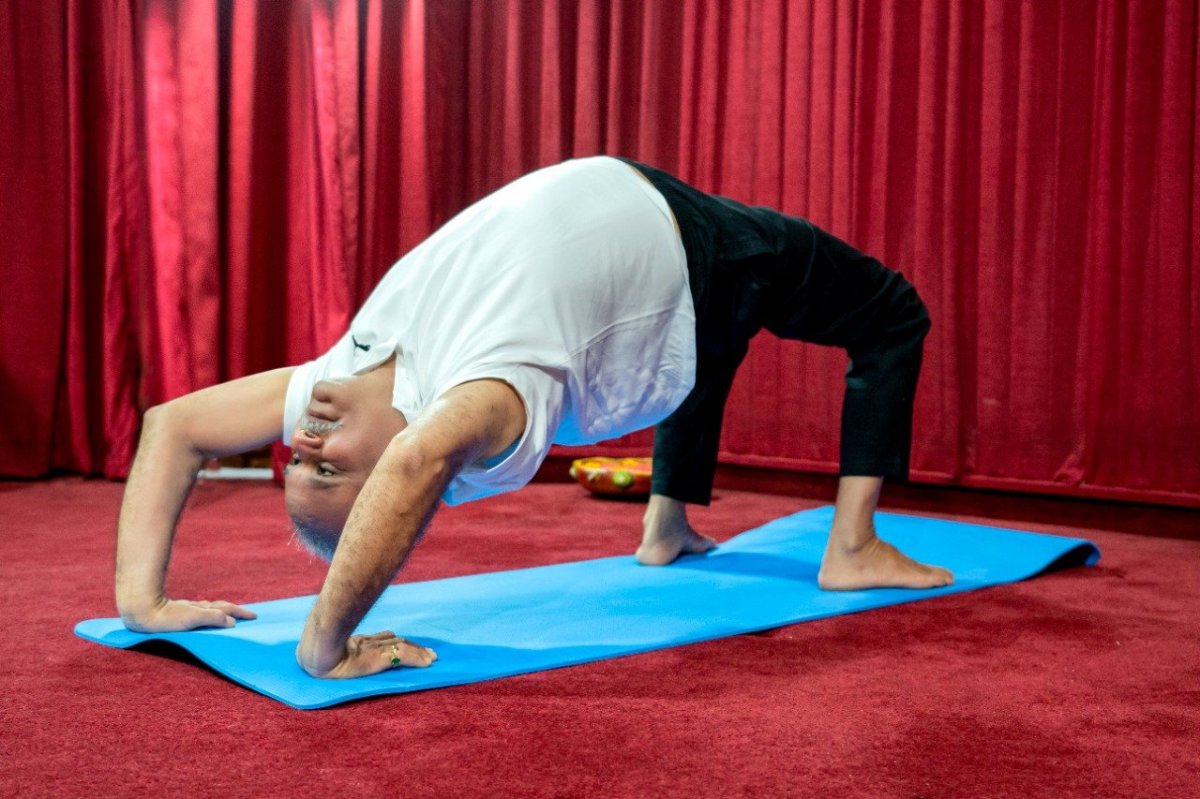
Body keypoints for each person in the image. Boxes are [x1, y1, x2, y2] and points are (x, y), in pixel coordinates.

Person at [113, 156, 952, 681]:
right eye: (328, 467)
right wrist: (325, 646)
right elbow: (417, 467)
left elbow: (170, 425)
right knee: (890, 313)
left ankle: (666, 524)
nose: (305, 443)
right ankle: (851, 547)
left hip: (648, 262)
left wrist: (143, 603)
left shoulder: (331, 384)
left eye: (296, 462)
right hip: (692, 246)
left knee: (699, 343)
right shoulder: (488, 406)